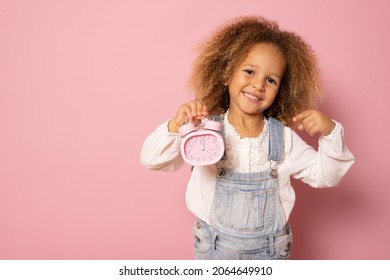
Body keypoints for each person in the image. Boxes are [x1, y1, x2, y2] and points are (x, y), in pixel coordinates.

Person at [140, 16, 355, 260]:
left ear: (281, 91)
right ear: (226, 75)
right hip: (214, 250)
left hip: (270, 253)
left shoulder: (284, 139)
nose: (258, 85)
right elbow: (152, 160)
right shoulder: (203, 133)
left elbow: (326, 175)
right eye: (250, 71)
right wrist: (176, 125)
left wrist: (330, 133)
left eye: (271, 80)